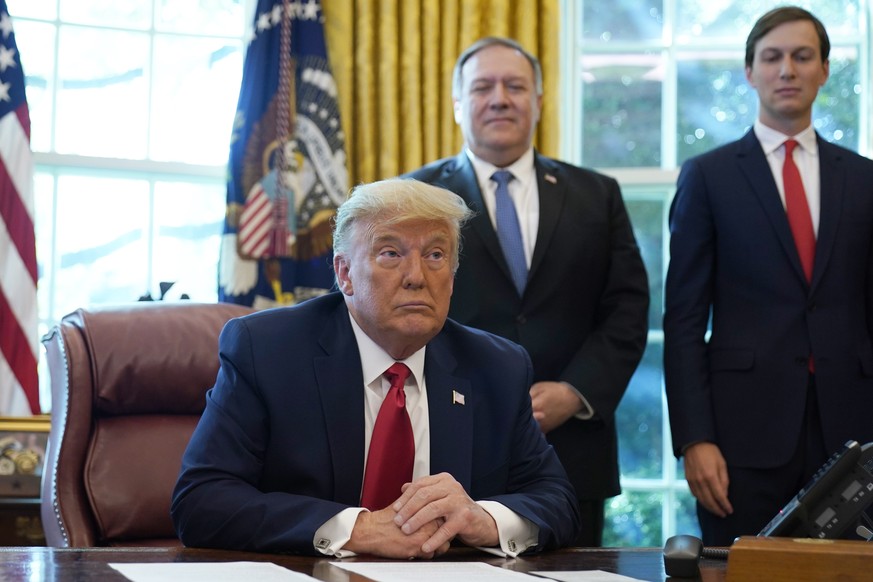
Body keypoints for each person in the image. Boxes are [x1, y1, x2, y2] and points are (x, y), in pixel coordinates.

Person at [171, 178, 581, 557]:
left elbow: (556, 499)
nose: (416, 277)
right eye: (390, 253)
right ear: (345, 274)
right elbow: (201, 500)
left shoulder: (496, 367)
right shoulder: (267, 351)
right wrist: (358, 529)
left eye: (436, 255)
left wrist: (483, 519)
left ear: (452, 279)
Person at [403, 37, 649, 547]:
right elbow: (393, 313)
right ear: (457, 104)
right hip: (448, 446)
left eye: (515, 86)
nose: (500, 98)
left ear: (539, 101)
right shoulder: (414, 199)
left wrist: (575, 393)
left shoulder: (596, 195)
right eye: (483, 87)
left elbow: (627, 310)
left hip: (572, 450)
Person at [664, 6, 873, 546]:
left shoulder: (863, 178)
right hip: (739, 441)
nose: (787, 70)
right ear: (749, 71)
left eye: (803, 57)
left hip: (851, 429)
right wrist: (694, 439)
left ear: (825, 70)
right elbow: (683, 320)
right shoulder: (708, 177)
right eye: (772, 57)